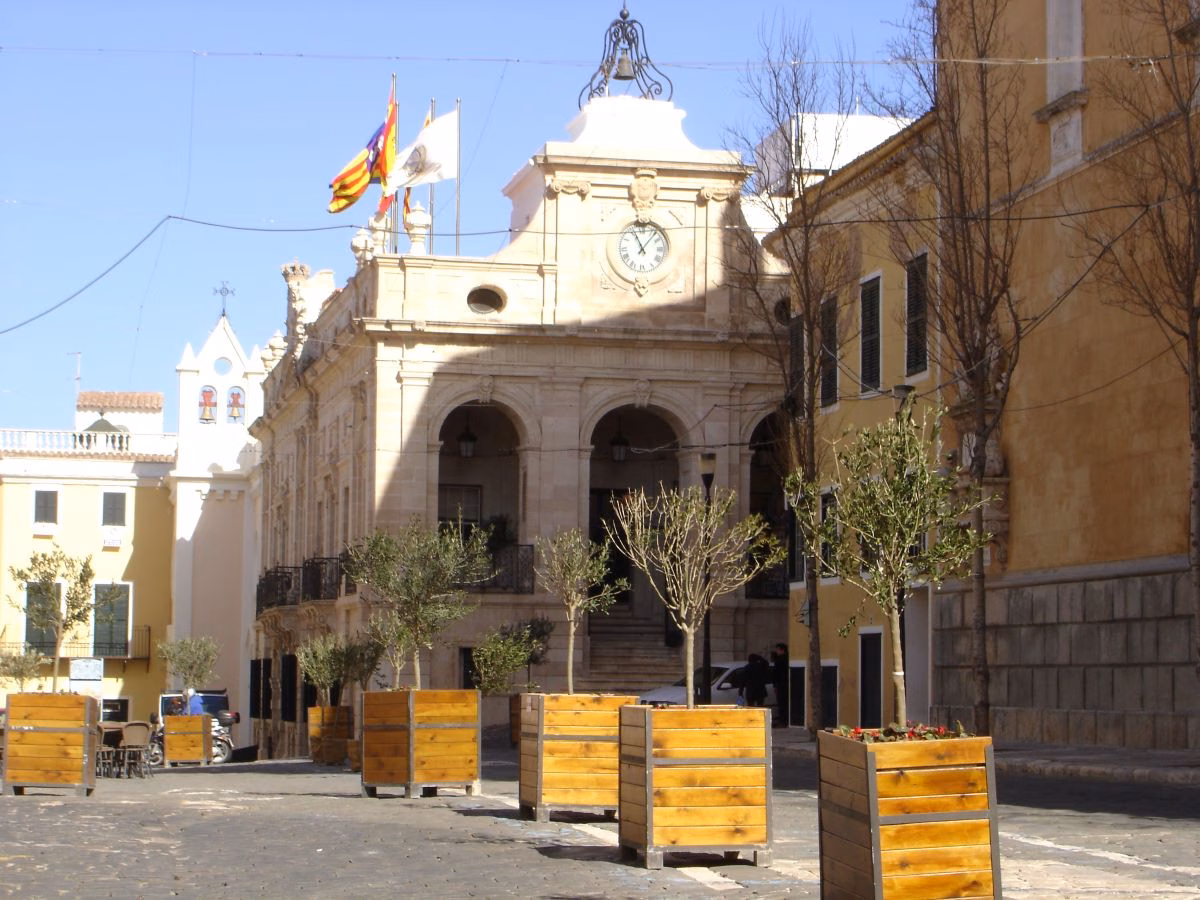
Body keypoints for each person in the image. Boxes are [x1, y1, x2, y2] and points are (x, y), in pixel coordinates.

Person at [771, 642, 790, 728]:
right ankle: (784, 721)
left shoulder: (779, 660)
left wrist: (775, 685)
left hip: (781, 684)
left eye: (778, 650)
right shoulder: (788, 659)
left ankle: (783, 722)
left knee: (782, 703)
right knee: (785, 703)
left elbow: (776, 673)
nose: (776, 651)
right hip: (785, 683)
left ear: (782, 650)